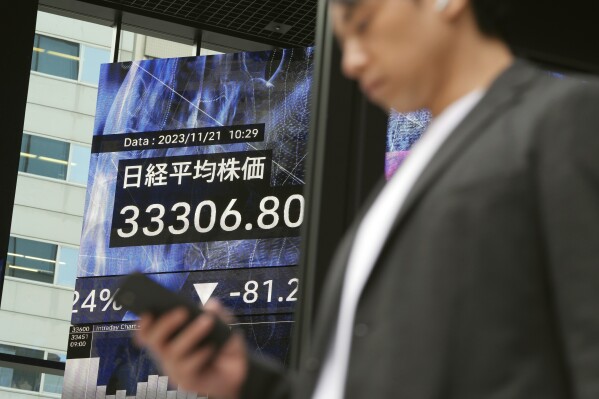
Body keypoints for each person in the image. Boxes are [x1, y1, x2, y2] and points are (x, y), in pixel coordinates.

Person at [135, 0, 599, 397]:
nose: (351, 61)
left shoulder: (564, 122)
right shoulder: (399, 187)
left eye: (362, 25)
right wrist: (247, 381)